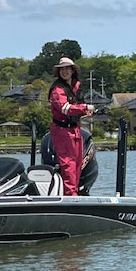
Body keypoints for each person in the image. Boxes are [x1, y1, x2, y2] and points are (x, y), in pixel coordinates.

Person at [48, 57, 94, 196]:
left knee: (78, 163)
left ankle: (74, 193)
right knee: (68, 164)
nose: (64, 71)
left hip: (75, 129)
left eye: (67, 68)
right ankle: (70, 195)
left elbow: (75, 107)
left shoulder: (75, 87)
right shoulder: (57, 89)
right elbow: (65, 108)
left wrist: (85, 112)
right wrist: (85, 108)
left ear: (73, 70)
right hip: (62, 131)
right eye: (62, 69)